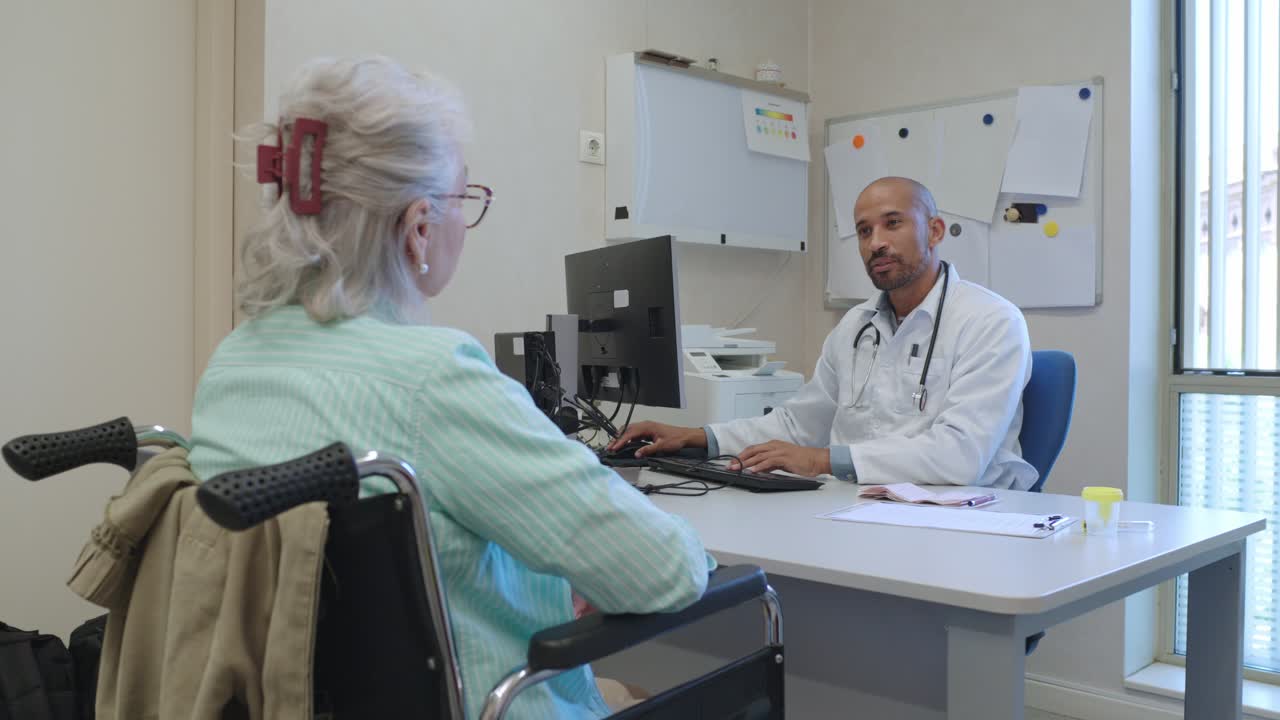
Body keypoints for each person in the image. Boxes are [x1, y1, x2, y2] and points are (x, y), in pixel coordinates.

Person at [187, 56, 710, 719]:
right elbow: (667, 572)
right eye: (465, 199)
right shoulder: (431, 378)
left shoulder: (233, 363)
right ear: (418, 230)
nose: (466, 222)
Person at [611, 176, 1036, 490]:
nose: (876, 243)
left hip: (963, 518)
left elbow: (959, 458)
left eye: (893, 224)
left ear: (935, 231)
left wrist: (821, 460)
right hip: (859, 504)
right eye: (865, 231)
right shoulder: (855, 327)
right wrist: (698, 438)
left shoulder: (991, 322)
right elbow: (799, 424)